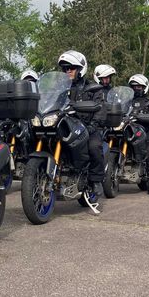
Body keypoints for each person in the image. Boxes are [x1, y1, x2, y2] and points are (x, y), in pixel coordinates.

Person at [59, 50, 105, 196]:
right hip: (66, 124)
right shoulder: (61, 88)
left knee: (94, 147)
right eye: (65, 68)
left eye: (71, 68)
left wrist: (93, 125)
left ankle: (96, 181)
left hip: (87, 126)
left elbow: (100, 108)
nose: (68, 71)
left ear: (80, 69)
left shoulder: (93, 88)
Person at [128, 73, 149, 196]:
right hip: (129, 128)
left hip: (146, 131)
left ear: (144, 87)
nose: (136, 89)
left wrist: (141, 116)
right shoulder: (126, 100)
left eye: (139, 87)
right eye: (133, 86)